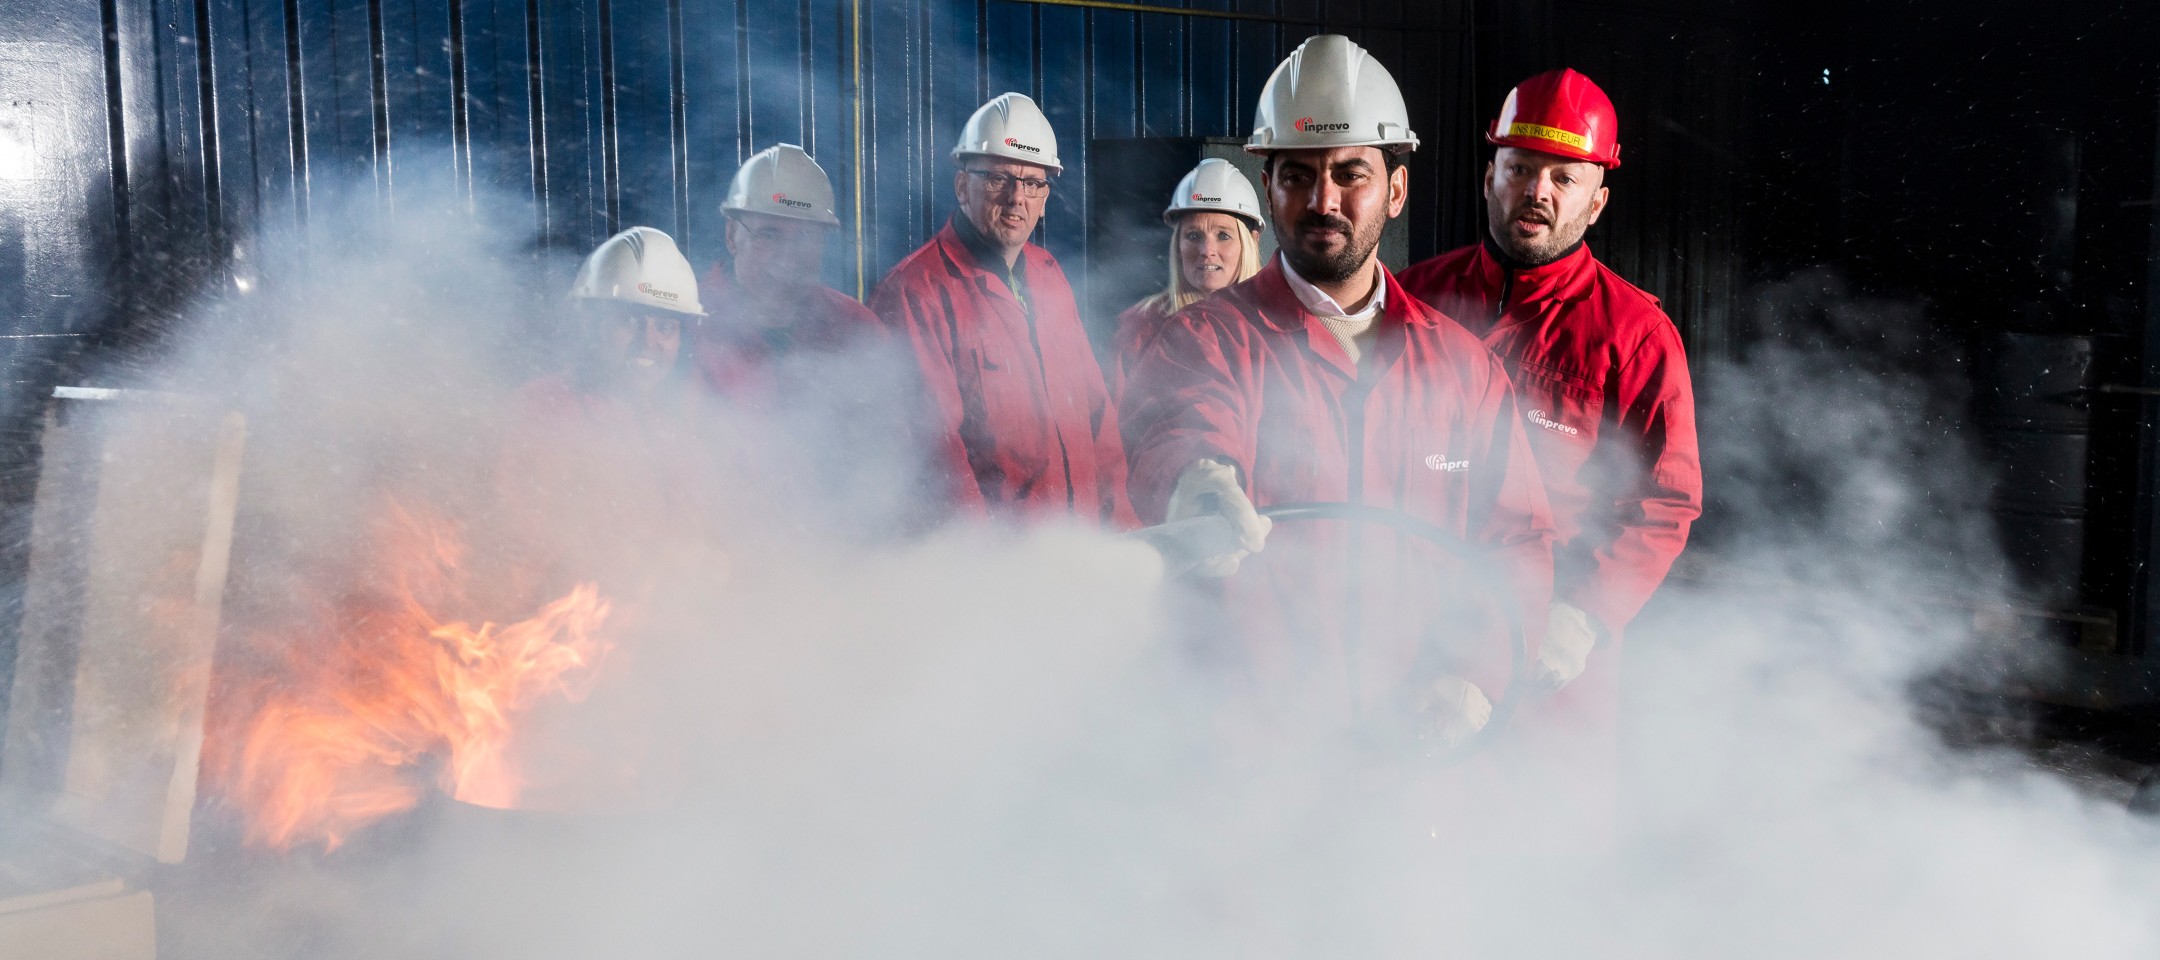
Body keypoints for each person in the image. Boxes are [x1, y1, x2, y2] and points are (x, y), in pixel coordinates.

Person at [1121, 35, 1554, 749]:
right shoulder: (1208, 339)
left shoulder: (1462, 368)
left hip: (1412, 748)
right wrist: (1199, 481)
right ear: (1270, 188)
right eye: (1297, 176)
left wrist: (1475, 676)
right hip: (1246, 753)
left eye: (1351, 173)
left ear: (1396, 189)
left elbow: (1516, 542)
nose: (1324, 201)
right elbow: (1183, 425)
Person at [1398, 68, 1703, 839]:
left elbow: (1666, 499)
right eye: (1522, 168)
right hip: (1411, 636)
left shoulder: (1635, 336)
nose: (1539, 190)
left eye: (1565, 177)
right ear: (1489, 176)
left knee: (1538, 866)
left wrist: (1585, 616)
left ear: (1597, 199)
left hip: (1549, 663)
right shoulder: (1413, 301)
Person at [869, 93, 1134, 527]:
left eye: (1034, 183)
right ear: (962, 186)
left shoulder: (1049, 278)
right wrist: (989, 572)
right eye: (998, 179)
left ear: (1046, 197)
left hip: (1078, 556)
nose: (1017, 198)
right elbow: (934, 458)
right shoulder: (915, 292)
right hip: (994, 572)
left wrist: (1122, 531)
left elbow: (1096, 418)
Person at [699, 143, 920, 534]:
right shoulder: (682, 330)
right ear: (732, 235)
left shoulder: (856, 330)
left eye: (805, 238)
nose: (788, 256)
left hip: (837, 560)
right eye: (769, 234)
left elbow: (895, 460)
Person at [1111, 158, 1265, 390]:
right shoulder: (1140, 326)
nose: (1206, 251)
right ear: (1178, 246)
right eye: (1193, 236)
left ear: (1251, 242)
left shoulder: (1280, 327)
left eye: (1223, 236)